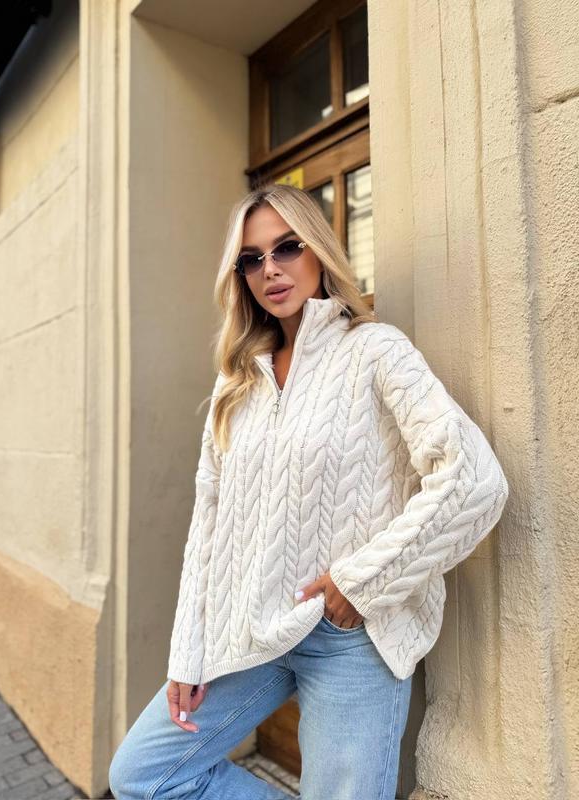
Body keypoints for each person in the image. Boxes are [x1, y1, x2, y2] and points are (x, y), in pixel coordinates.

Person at [108, 183, 509, 800]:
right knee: (144, 775)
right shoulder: (236, 382)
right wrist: (187, 653)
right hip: (251, 632)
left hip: (351, 635)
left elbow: (475, 479)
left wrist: (362, 581)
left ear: (319, 251)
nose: (270, 269)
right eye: (251, 259)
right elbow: (207, 524)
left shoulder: (374, 351)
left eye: (287, 248)